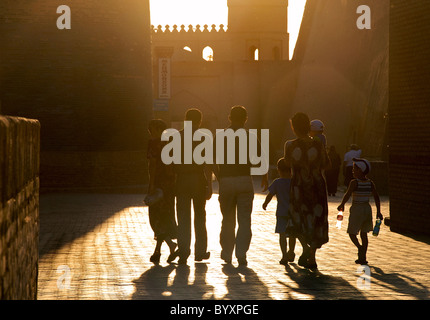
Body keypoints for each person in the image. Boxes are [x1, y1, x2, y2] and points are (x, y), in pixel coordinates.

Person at [216, 105, 269, 266]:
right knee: (245, 220)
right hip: (245, 180)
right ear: (245, 119)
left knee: (228, 219)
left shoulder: (221, 136)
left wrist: (219, 177)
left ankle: (226, 252)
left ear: (229, 118)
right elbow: (261, 159)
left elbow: (210, 160)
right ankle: (241, 254)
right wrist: (265, 177)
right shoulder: (250, 137)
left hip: (226, 181)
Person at [284, 112, 329, 270]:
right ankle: (312, 257)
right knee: (316, 219)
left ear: (293, 127)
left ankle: (305, 248)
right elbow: (326, 164)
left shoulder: (290, 145)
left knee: (298, 219)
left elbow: (287, 164)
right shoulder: (318, 144)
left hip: (299, 186)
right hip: (317, 186)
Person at [174, 108, 213, 265]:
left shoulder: (177, 137)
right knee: (200, 216)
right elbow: (208, 164)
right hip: (198, 179)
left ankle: (183, 252)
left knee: (183, 217)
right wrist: (209, 184)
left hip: (182, 179)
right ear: (200, 121)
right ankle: (200, 252)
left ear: (185, 119)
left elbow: (171, 162)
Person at [337, 158, 383, 265]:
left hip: (357, 209)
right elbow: (376, 197)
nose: (353, 171)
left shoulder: (354, 182)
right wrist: (378, 211)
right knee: (364, 234)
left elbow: (348, 194)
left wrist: (342, 204)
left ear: (361, 170)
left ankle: (360, 248)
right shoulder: (370, 183)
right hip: (367, 209)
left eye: (355, 169)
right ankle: (363, 257)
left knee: (352, 233)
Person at [146, 119, 178, 264]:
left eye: (151, 130)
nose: (150, 133)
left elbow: (152, 165)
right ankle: (162, 249)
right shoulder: (171, 144)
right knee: (165, 216)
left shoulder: (153, 144)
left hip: (158, 184)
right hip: (170, 186)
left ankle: (164, 248)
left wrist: (151, 185)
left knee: (155, 217)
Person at [262, 158, 296, 265]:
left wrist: (265, 203)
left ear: (278, 170)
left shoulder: (277, 182)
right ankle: (291, 251)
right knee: (292, 234)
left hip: (281, 212)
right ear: (291, 170)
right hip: (293, 213)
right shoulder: (294, 182)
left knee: (282, 234)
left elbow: (270, 195)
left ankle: (284, 255)